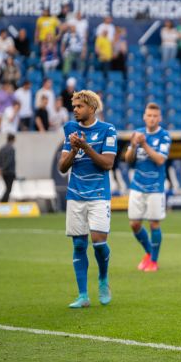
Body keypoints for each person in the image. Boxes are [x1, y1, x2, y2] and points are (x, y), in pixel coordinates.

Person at [58, 90, 117, 308]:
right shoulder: (70, 129)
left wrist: (85, 147)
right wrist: (73, 151)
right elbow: (62, 167)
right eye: (73, 106)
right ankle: (83, 296)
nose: (74, 110)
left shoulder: (107, 130)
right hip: (75, 195)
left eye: (79, 106)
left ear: (91, 108)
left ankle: (103, 279)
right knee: (79, 245)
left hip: (99, 195)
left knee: (99, 243)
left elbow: (107, 163)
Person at [124, 103, 171, 272]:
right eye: (149, 115)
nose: (151, 118)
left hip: (155, 187)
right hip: (137, 186)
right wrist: (134, 145)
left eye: (155, 116)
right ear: (144, 117)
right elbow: (128, 160)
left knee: (154, 224)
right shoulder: (138, 134)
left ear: (160, 118)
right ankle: (150, 253)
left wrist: (144, 145)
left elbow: (160, 160)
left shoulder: (164, 136)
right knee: (134, 224)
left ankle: (154, 261)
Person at [0, 133, 16, 202]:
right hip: (10, 172)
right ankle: (2, 202)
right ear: (13, 140)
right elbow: (9, 161)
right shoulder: (11, 149)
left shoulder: (2, 148)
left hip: (3, 172)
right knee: (9, 188)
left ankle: (4, 202)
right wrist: (2, 168)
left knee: (7, 188)